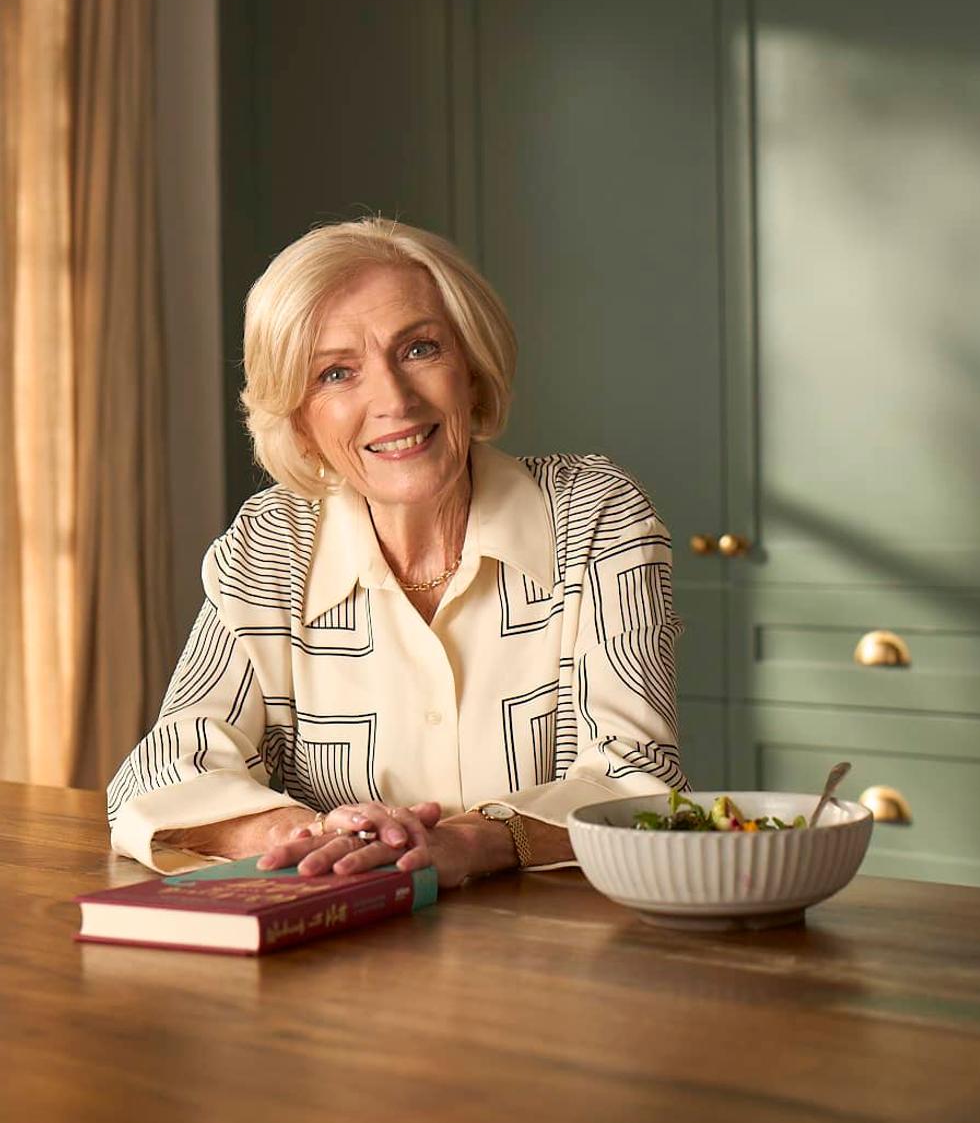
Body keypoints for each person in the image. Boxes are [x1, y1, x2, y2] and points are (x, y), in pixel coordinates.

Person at [107, 218, 688, 885]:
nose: (393, 399)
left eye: (418, 350)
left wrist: (469, 844)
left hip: (561, 959)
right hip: (339, 945)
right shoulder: (271, 546)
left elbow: (638, 781)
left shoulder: (596, 513)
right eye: (336, 373)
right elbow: (157, 777)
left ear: (470, 371)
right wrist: (313, 834)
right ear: (300, 421)